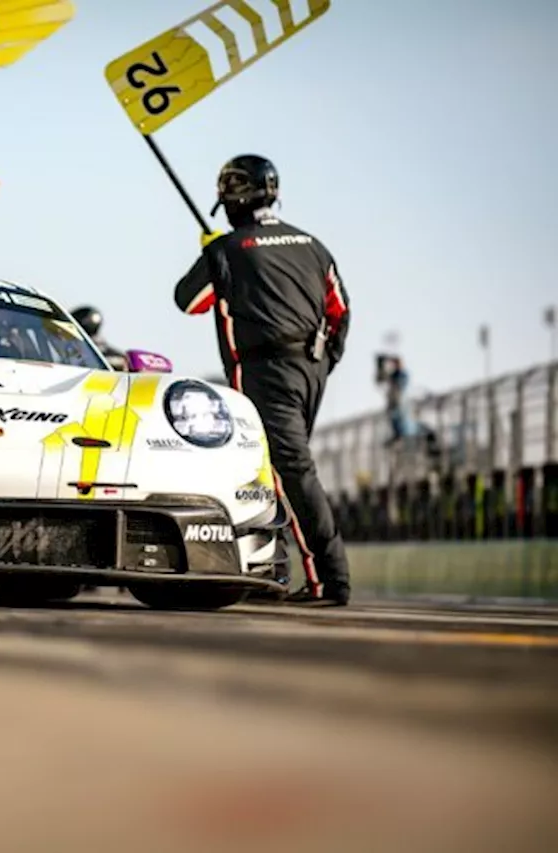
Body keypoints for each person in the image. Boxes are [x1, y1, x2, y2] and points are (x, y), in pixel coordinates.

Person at [173, 155, 351, 606]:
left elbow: (188, 300)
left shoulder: (228, 250)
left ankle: (330, 581)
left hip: (263, 373)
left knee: (291, 474)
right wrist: (324, 361)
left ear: (232, 199)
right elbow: (340, 310)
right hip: (311, 369)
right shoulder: (313, 245)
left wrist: (211, 254)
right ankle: (273, 572)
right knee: (274, 475)